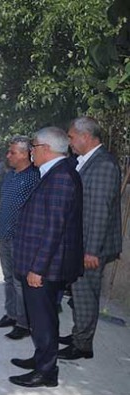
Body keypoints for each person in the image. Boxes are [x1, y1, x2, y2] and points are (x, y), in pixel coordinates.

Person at [10, 127, 83, 388]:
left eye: (34, 146)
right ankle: (42, 357)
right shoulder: (54, 173)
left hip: (45, 267)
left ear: (47, 149)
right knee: (44, 316)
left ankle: (47, 372)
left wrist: (37, 269)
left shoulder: (61, 177)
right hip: (43, 263)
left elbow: (54, 227)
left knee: (43, 317)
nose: (31, 151)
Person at [60, 117, 122, 360]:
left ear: (86, 136)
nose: (70, 142)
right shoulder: (86, 162)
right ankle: (79, 333)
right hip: (84, 242)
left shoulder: (102, 165)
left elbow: (98, 211)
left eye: (72, 137)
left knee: (85, 294)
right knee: (78, 293)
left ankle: (82, 345)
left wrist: (91, 251)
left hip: (91, 246)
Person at [0, 136, 40, 340]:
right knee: (8, 279)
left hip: (21, 239)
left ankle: (24, 323)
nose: (8, 156)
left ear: (26, 153)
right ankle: (11, 314)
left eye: (12, 152)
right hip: (5, 236)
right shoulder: (10, 176)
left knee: (20, 282)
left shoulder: (34, 177)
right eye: (8, 152)